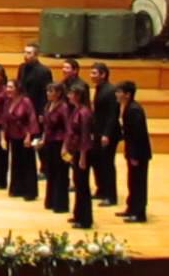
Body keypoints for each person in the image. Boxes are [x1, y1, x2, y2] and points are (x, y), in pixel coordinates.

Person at [115, 81, 151, 223]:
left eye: (119, 92)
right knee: (132, 181)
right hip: (132, 151)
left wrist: (135, 155)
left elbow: (137, 134)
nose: (116, 94)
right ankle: (131, 208)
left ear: (128, 94)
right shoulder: (128, 107)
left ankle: (139, 213)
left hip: (139, 153)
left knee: (139, 183)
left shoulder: (134, 110)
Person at [4, 79, 40, 201]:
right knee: (16, 163)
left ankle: (29, 191)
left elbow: (32, 119)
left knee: (27, 164)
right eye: (7, 87)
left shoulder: (26, 101)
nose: (8, 90)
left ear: (17, 88)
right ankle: (17, 188)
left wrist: (29, 136)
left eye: (10, 87)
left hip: (25, 136)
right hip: (13, 135)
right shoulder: (8, 101)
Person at [90, 62, 120, 207]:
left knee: (107, 164)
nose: (91, 75)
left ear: (103, 74)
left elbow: (112, 115)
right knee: (97, 162)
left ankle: (110, 196)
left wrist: (106, 134)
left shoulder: (110, 90)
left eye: (95, 73)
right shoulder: (100, 88)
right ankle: (101, 189)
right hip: (98, 131)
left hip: (107, 134)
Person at [65, 83, 93, 229]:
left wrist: (82, 156)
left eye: (70, 94)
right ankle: (78, 214)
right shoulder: (77, 110)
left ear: (78, 95)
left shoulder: (84, 113)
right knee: (77, 182)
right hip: (76, 151)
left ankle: (85, 219)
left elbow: (85, 136)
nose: (68, 96)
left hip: (83, 153)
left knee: (82, 185)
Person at [40, 83, 71, 214]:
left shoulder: (63, 107)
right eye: (47, 91)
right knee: (50, 172)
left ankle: (61, 204)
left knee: (61, 174)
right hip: (49, 143)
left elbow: (68, 129)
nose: (48, 93)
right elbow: (46, 126)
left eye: (51, 91)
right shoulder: (48, 105)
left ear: (58, 93)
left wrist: (65, 146)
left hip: (60, 143)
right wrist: (42, 139)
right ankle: (51, 201)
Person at [17, 44, 53, 116]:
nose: (25, 55)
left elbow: (45, 93)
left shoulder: (44, 71)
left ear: (36, 55)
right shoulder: (21, 67)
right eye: (25, 52)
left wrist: (41, 112)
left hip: (35, 108)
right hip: (22, 107)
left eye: (29, 53)